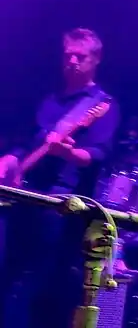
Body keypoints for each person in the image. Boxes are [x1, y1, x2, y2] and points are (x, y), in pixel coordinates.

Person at [0, 27, 121, 328]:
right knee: (8, 270)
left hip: (60, 201)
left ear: (96, 59)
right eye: (68, 56)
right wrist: (11, 159)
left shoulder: (101, 104)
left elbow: (96, 155)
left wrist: (68, 153)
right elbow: (28, 143)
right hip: (25, 193)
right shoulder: (49, 101)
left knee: (42, 278)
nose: (72, 61)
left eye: (80, 56)